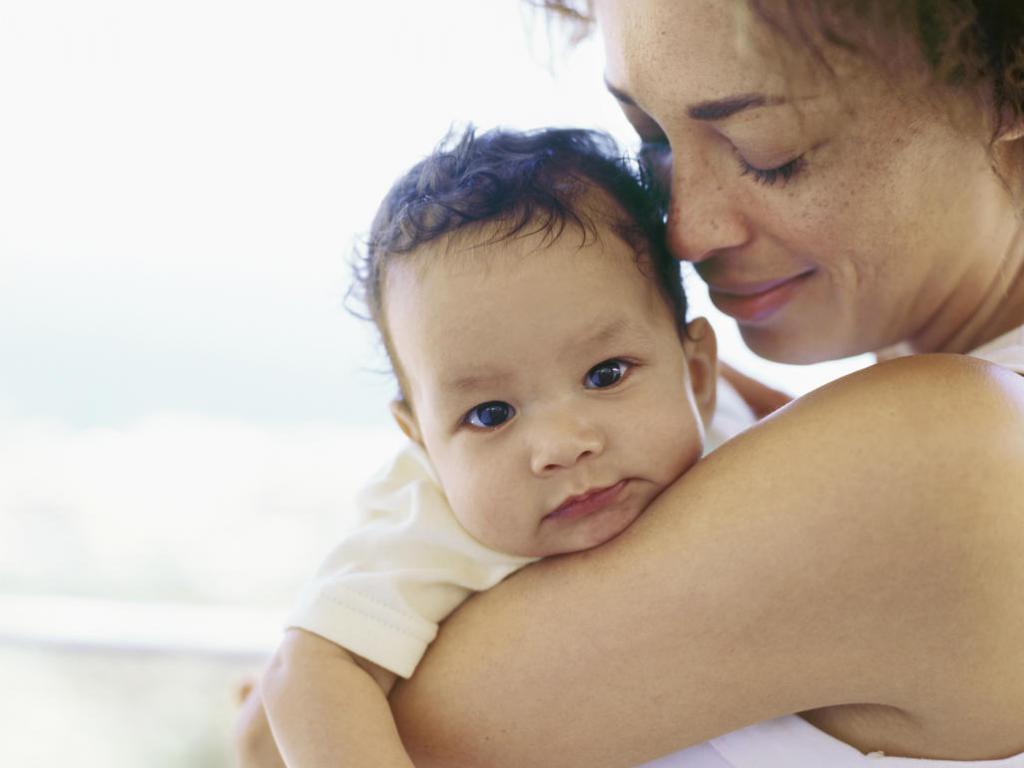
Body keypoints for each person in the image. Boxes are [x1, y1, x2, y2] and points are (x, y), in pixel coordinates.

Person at [238, 2, 1024, 765]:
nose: (682, 229)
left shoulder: (952, 454)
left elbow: (275, 745)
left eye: (765, 148)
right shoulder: (777, 423)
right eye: (654, 144)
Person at [254, 126, 749, 767]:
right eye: (490, 414)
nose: (563, 447)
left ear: (698, 375)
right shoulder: (431, 522)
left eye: (606, 374)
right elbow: (307, 672)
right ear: (424, 443)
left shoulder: (726, 425)